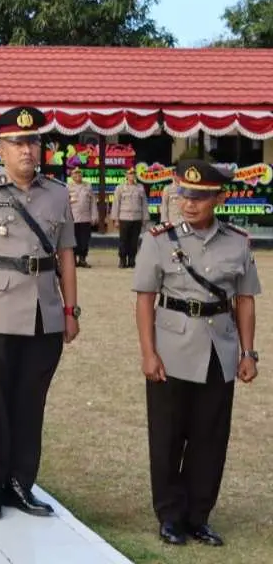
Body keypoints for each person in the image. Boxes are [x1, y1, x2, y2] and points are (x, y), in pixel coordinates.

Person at [0, 105, 80, 520]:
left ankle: (21, 484)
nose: (28, 150)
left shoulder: (58, 193)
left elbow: (67, 255)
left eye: (34, 141)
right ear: (0, 149)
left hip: (44, 309)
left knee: (31, 402)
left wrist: (71, 309)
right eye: (18, 143)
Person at [131, 160, 260, 547]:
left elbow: (245, 301)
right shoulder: (159, 239)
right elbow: (144, 300)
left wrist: (248, 352)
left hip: (218, 351)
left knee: (210, 439)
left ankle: (198, 516)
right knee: (168, 437)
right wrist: (148, 353)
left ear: (220, 197)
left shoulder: (238, 242)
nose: (190, 204)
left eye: (200, 197)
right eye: (186, 195)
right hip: (171, 350)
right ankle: (170, 516)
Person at [111, 165, 149, 268]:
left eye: (133, 174)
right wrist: (116, 219)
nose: (132, 176)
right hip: (124, 218)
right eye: (130, 174)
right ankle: (122, 260)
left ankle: (132, 260)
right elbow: (116, 204)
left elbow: (144, 203)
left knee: (134, 241)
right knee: (123, 240)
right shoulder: (120, 188)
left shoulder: (140, 188)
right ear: (126, 175)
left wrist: (145, 218)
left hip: (136, 218)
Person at [67, 167, 98, 267]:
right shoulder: (67, 187)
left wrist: (94, 216)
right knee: (73, 240)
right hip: (72, 218)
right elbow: (64, 204)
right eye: (75, 174)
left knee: (84, 240)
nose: (77, 176)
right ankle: (73, 260)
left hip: (85, 218)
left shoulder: (88, 186)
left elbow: (93, 203)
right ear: (72, 176)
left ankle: (82, 259)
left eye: (79, 174)